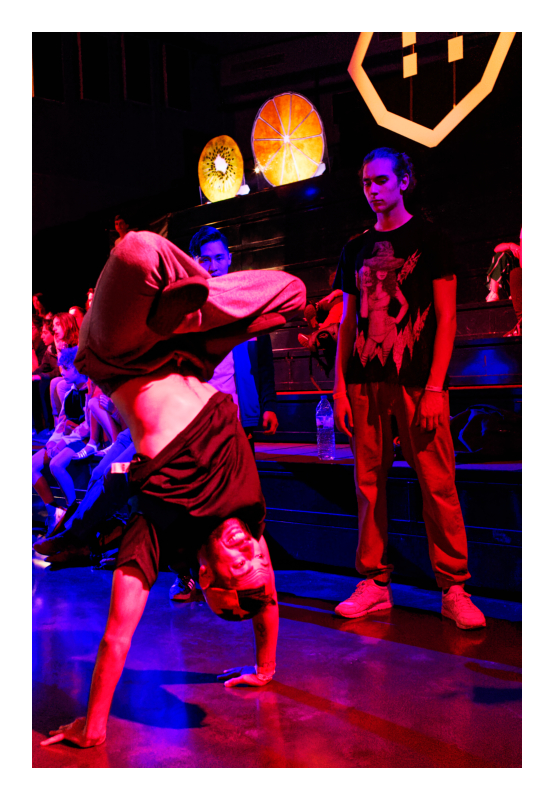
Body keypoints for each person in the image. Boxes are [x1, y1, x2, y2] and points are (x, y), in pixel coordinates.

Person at [38, 230, 305, 748]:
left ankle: (182, 303)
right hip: (185, 353)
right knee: (293, 294)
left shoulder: (158, 530)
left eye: (239, 567)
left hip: (117, 354)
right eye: (259, 559)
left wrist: (92, 726)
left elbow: (118, 635)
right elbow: (265, 599)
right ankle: (187, 309)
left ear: (205, 573)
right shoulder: (248, 521)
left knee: (137, 251)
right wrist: (265, 667)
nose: (253, 554)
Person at [332, 147, 486, 630]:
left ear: (403, 181)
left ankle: (454, 587)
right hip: (365, 379)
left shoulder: (431, 239)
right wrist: (339, 387)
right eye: (366, 182)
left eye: (381, 180)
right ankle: (374, 583)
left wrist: (437, 386)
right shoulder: (355, 249)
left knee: (437, 482)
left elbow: (446, 318)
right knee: (368, 484)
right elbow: (346, 323)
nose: (372, 190)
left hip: (418, 380)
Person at [32, 347, 95, 532]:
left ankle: (73, 510)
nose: (62, 373)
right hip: (67, 439)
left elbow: (88, 427)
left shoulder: (90, 392)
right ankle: (54, 511)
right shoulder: (69, 393)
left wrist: (64, 441)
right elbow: (61, 422)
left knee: (56, 464)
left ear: (79, 367)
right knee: (30, 465)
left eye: (67, 368)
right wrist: (53, 441)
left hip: (83, 441)